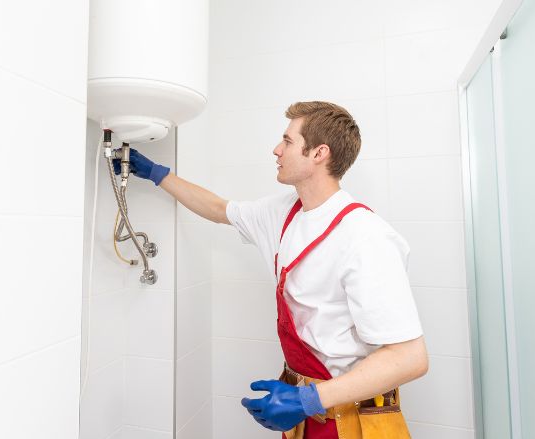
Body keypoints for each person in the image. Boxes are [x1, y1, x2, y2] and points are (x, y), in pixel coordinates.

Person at [115, 101, 428, 439]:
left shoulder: (365, 237)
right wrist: (158, 175)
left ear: (319, 153)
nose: (276, 150)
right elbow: (220, 209)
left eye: (288, 141)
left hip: (352, 421)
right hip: (305, 414)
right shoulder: (284, 212)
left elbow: (409, 358)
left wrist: (309, 399)